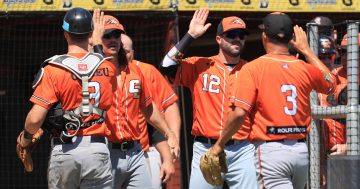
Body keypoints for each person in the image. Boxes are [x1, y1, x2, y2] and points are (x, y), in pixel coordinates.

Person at [209, 12, 336, 189]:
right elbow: (331, 84)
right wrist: (306, 51)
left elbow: (238, 113)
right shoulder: (304, 68)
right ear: (292, 38)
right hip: (300, 153)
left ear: (264, 36)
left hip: (271, 153)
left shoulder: (253, 68)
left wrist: (218, 145)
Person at [16, 8, 116, 189]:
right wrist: (97, 43)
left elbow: (36, 118)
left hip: (66, 150)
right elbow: (99, 64)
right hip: (98, 151)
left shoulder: (54, 68)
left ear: (65, 33)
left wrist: (25, 138)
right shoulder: (108, 67)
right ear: (91, 34)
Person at [160, 8, 258, 189]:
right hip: (205, 148)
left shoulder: (252, 70)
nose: (237, 38)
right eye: (231, 34)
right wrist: (190, 35)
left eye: (241, 35)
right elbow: (166, 65)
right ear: (219, 39)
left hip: (242, 148)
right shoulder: (200, 64)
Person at [100, 15, 179, 189]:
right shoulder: (92, 71)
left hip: (136, 151)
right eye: (107, 35)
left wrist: (169, 132)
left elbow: (148, 107)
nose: (113, 39)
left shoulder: (135, 71)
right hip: (106, 152)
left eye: (116, 35)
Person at [121, 33, 181, 188]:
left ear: (133, 52)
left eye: (126, 51)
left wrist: (173, 142)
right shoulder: (100, 71)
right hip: (107, 151)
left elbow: (168, 107)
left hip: (144, 149)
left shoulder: (146, 71)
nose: (122, 54)